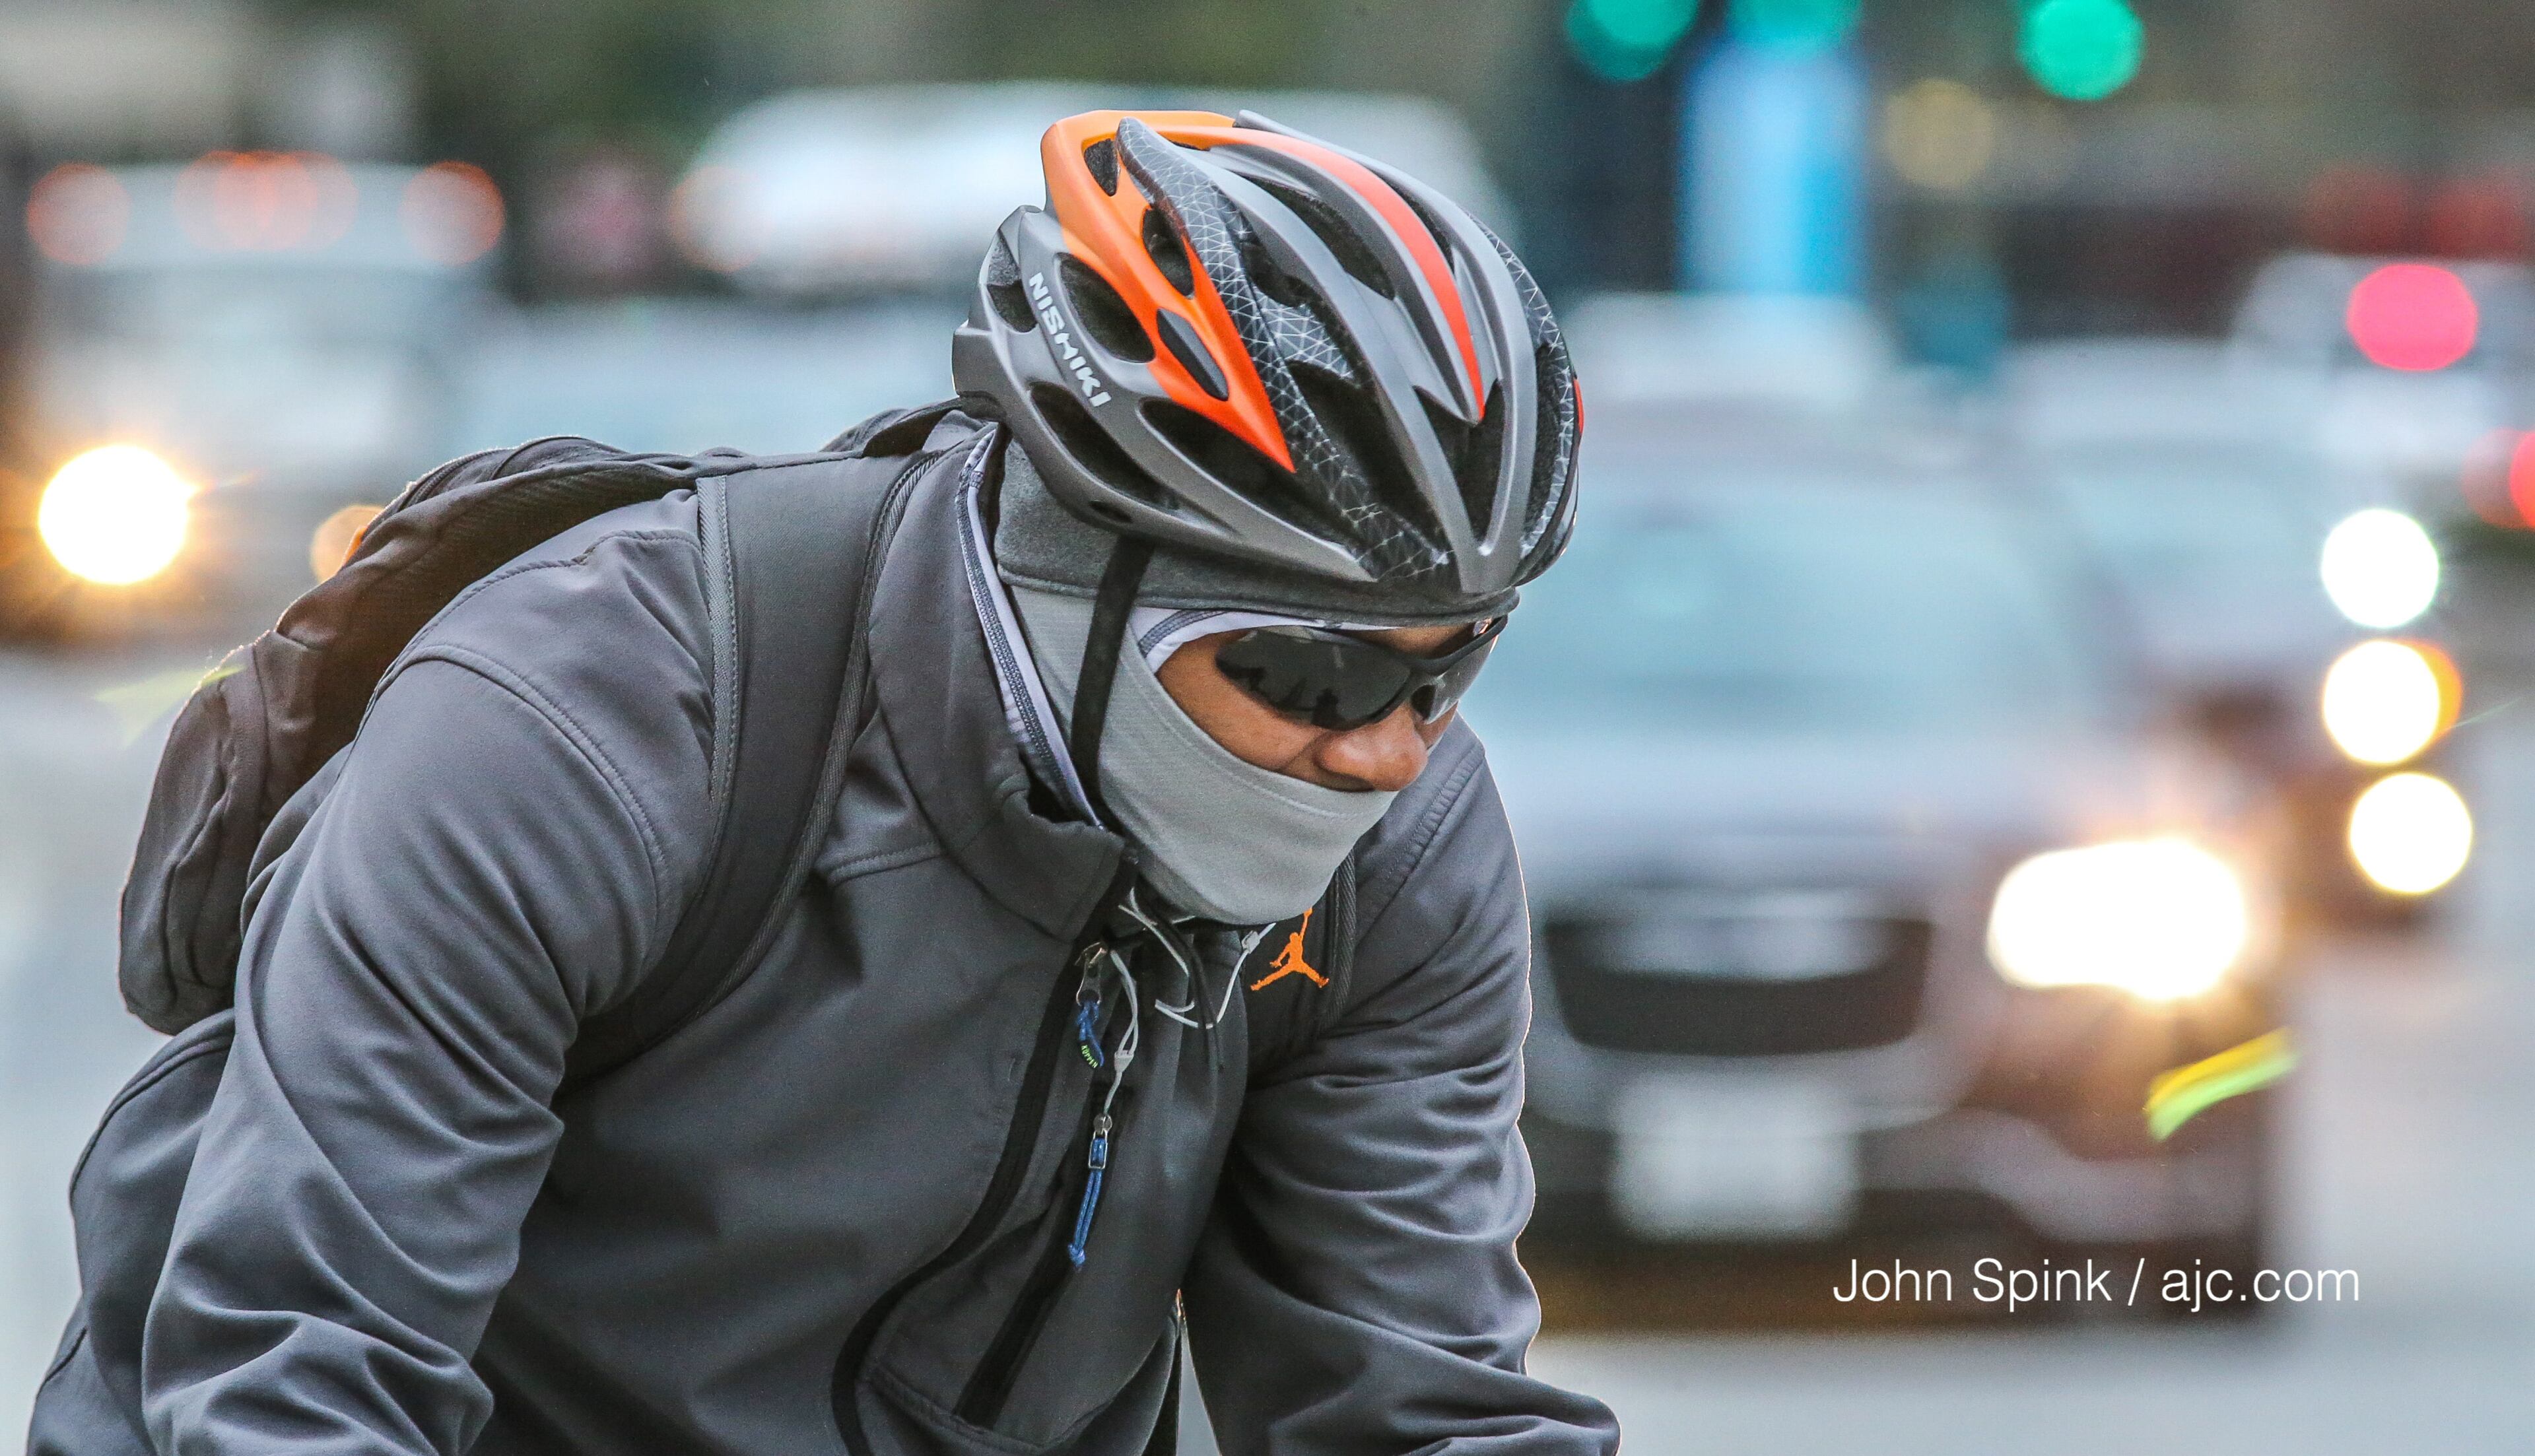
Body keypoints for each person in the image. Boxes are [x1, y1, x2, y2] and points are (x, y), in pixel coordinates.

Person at [134, 109, 1614, 1454]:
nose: (1391, 751)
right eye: (1313, 675)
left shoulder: (1404, 856)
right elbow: (302, 1371)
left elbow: (1422, 1407)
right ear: (1078, 580)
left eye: (1449, 666)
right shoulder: (591, 720)